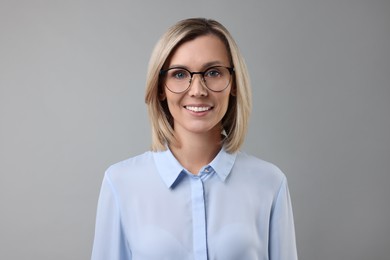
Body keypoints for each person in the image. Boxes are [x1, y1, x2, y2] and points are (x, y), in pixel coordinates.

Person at [91, 18, 298, 260]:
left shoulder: (270, 183)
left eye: (213, 72)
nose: (198, 90)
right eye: (179, 74)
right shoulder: (120, 183)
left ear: (233, 83)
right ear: (160, 87)